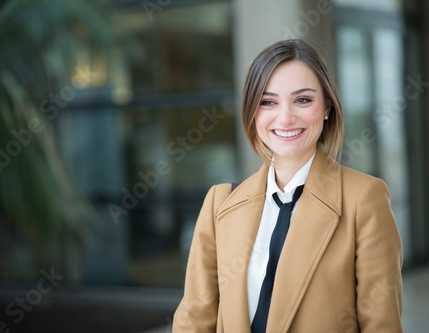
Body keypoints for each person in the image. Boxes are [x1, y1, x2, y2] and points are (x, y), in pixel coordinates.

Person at [172, 39, 403, 332]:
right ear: (252, 112)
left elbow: (381, 325)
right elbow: (194, 320)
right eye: (268, 102)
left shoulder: (364, 199)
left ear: (327, 107)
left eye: (303, 100)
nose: (285, 117)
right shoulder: (220, 202)